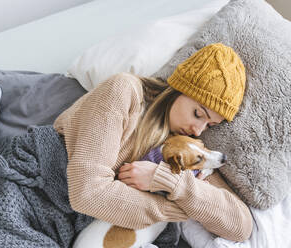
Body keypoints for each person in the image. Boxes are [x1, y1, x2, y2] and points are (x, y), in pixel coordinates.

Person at [53, 43, 253, 241]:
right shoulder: (123, 91)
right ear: (180, 89)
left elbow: (241, 226)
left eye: (210, 125)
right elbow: (87, 193)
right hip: (40, 190)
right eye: (198, 114)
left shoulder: (185, 148)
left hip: (74, 226)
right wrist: (169, 209)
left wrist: (171, 182)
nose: (198, 130)